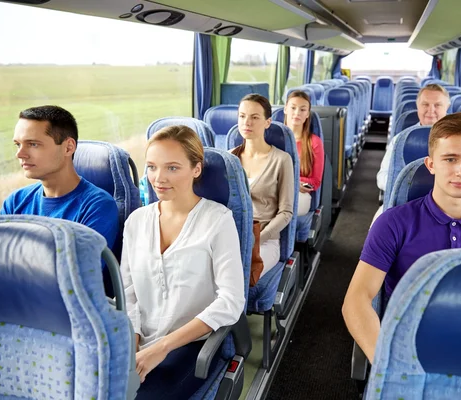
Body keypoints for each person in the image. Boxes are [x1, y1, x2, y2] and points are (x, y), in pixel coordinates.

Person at [343, 113, 461, 364]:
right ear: (431, 164)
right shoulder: (392, 224)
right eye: (450, 158)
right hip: (405, 346)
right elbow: (357, 300)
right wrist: (386, 363)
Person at [120, 125, 245, 398]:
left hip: (191, 344)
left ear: (196, 169)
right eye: (152, 167)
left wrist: (162, 348)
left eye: (172, 168)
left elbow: (231, 301)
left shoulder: (218, 220)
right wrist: (134, 345)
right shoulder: (136, 222)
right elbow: (128, 293)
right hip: (139, 341)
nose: (159, 178)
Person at [0, 105, 119, 291]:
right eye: (18, 144)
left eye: (33, 144)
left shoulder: (97, 206)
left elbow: (75, 278)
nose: (20, 154)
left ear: (68, 147)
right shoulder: (15, 202)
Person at [232, 94, 294, 279]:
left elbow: (286, 213)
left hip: (265, 241)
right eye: (242, 116)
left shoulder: (282, 160)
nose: (247, 122)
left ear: (267, 122)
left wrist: (257, 239)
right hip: (232, 236)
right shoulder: (230, 159)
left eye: (254, 117)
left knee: (236, 273)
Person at [373, 84, 450, 222]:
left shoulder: (459, 141)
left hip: (449, 206)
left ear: (447, 107)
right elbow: (382, 177)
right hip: (405, 203)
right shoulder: (400, 140)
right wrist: (405, 185)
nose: (430, 110)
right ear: (417, 106)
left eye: (437, 105)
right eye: (425, 104)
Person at [283, 90, 324, 217]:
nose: (297, 113)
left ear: (307, 114)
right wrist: (294, 182)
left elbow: (315, 182)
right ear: (285, 109)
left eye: (302, 109)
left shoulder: (314, 142)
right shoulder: (272, 138)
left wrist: (293, 183)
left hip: (300, 195)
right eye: (293, 108)